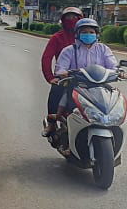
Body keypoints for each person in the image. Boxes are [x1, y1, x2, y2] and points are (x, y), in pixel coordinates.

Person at [52, 17, 118, 118]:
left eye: (91, 32)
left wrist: (119, 72)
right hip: (77, 85)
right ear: (77, 33)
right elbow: (60, 68)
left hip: (100, 86)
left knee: (115, 97)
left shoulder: (103, 49)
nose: (88, 34)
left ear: (96, 34)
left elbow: (113, 66)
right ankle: (55, 120)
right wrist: (63, 73)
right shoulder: (69, 50)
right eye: (84, 32)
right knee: (64, 96)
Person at [41, 7, 83, 135]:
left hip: (86, 77)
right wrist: (50, 77)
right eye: (68, 17)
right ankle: (52, 124)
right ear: (63, 20)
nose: (71, 20)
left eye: (74, 17)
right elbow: (46, 58)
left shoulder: (88, 38)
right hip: (64, 76)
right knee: (56, 91)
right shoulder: (57, 38)